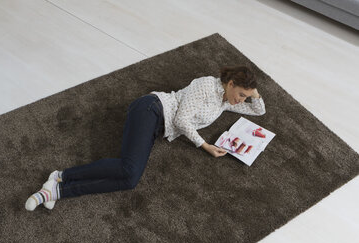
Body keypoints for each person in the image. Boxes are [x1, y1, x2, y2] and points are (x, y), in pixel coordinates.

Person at [25, 65, 266, 211]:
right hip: (151, 109)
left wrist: (255, 93)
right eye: (242, 94)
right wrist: (205, 146)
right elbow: (182, 120)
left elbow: (259, 110)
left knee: (129, 179)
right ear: (230, 83)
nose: (242, 100)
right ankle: (59, 176)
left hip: (158, 127)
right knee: (127, 168)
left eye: (246, 96)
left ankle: (57, 191)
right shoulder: (205, 85)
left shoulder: (227, 100)